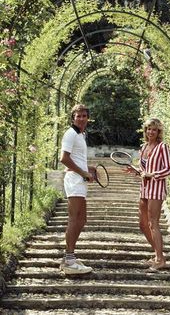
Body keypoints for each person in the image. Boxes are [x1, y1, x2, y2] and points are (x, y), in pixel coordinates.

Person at [129, 118, 170, 269]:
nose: (151, 132)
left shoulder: (163, 147)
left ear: (159, 131)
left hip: (156, 189)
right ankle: (157, 254)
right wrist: (136, 172)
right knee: (142, 224)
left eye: (154, 129)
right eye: (148, 129)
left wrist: (152, 174)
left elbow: (169, 169)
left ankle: (160, 259)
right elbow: (143, 171)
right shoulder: (143, 147)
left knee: (153, 223)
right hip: (144, 189)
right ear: (145, 130)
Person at [60, 103, 95, 275]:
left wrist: (89, 170)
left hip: (80, 180)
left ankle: (69, 257)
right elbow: (63, 159)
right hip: (74, 180)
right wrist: (82, 172)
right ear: (73, 117)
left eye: (84, 116)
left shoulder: (81, 135)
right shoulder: (70, 134)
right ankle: (69, 260)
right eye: (78, 116)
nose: (81, 119)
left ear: (88, 118)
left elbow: (77, 158)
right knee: (74, 219)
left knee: (82, 220)